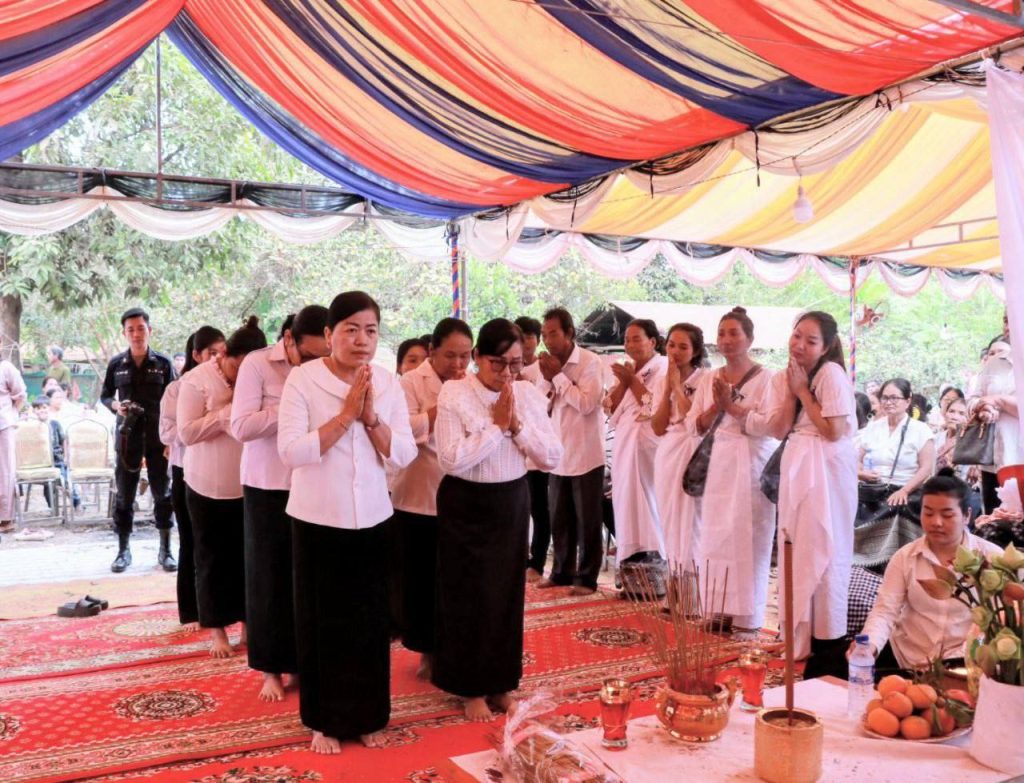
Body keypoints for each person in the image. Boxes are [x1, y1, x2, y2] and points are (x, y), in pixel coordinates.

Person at [277, 291, 416, 754]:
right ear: (329, 334)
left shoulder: (388, 383)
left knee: (369, 622)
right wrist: (344, 418)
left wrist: (371, 418)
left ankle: (369, 716)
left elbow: (403, 453)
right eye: (351, 330)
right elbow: (290, 451)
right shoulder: (303, 380)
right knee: (323, 623)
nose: (362, 340)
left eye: (370, 331)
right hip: (318, 517)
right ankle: (323, 721)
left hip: (373, 515)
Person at [433, 318, 562, 722]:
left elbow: (552, 456)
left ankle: (501, 684)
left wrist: (517, 427)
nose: (507, 373)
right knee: (468, 593)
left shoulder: (526, 394)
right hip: (466, 502)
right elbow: (451, 459)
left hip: (510, 501)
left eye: (515, 364)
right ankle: (469, 688)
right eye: (497, 363)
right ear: (477, 357)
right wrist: (496, 427)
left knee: (505, 594)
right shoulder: (455, 393)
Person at [747, 311, 857, 676]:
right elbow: (780, 429)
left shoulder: (831, 374)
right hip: (797, 464)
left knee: (824, 548)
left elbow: (834, 431)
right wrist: (791, 392)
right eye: (796, 337)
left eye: (810, 341)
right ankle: (797, 636)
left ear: (826, 347)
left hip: (826, 469)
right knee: (794, 547)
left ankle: (826, 640)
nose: (799, 346)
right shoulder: (786, 375)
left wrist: (802, 392)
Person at [231, 306, 329, 702]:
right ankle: (270, 667)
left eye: (321, 356)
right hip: (268, 486)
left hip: (312, 483)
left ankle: (304, 662)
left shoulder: (328, 368)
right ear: (289, 339)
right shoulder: (257, 364)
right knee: (268, 579)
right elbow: (241, 426)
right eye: (308, 356)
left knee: (306, 579)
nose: (313, 364)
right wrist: (288, 407)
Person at [854, 469, 1002, 676]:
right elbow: (885, 611)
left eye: (947, 515)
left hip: (966, 666)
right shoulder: (905, 557)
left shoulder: (992, 558)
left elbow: (997, 623)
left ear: (967, 515)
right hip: (908, 661)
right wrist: (869, 646)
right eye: (928, 513)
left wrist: (960, 659)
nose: (936, 522)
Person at [178, 317, 266, 659]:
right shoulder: (196, 381)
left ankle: (248, 624)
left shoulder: (257, 378)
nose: (240, 375)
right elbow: (186, 433)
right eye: (236, 367)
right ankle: (216, 630)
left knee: (247, 558)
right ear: (224, 353)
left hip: (247, 483)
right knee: (211, 559)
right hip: (205, 485)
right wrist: (223, 415)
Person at [392, 317, 472, 681]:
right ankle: (425, 649)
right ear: (433, 351)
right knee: (421, 578)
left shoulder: (471, 383)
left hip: (461, 492)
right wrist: (444, 407)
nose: (458, 364)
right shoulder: (410, 382)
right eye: (450, 355)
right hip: (417, 494)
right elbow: (402, 429)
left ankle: (454, 648)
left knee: (455, 577)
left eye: (465, 356)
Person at [686, 308, 775, 633]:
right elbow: (693, 425)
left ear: (749, 339)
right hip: (718, 464)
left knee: (750, 538)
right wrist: (717, 405)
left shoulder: (768, 378)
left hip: (751, 464)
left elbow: (770, 425)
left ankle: (747, 618)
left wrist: (732, 407)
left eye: (734, 333)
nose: (726, 340)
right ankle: (717, 609)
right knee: (716, 536)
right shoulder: (710, 378)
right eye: (722, 333)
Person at [534, 308, 605, 595]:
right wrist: (549, 379)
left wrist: (560, 377)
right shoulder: (546, 365)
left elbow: (586, 404)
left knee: (587, 520)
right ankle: (561, 572)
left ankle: (587, 579)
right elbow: (540, 403)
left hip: (586, 453)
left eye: (553, 333)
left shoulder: (589, 362)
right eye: (544, 334)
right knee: (559, 517)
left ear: (569, 333)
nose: (547, 340)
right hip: (558, 452)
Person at [100, 308, 176, 573]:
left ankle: (166, 550)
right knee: (124, 495)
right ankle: (123, 550)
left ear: (149, 330)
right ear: (124, 333)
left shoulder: (163, 363)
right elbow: (105, 395)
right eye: (130, 329)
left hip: (158, 438)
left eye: (140, 328)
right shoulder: (116, 364)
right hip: (127, 438)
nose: (136, 334)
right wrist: (116, 406)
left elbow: (174, 400)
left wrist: (172, 440)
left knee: (163, 494)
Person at [160, 326, 226, 631]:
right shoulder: (177, 389)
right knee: (191, 541)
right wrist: (203, 427)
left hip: (218, 471)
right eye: (211, 353)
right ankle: (191, 610)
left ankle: (220, 609)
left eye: (222, 352)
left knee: (216, 546)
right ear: (196, 355)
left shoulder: (228, 386)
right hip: (184, 470)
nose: (217, 359)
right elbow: (168, 433)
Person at [855, 378, 936, 571]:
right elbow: (856, 459)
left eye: (894, 398)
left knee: (898, 506)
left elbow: (926, 468)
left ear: (908, 401)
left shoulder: (920, 430)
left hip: (906, 489)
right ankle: (864, 567)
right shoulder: (874, 427)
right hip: (874, 489)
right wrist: (862, 473)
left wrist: (905, 490)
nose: (888, 402)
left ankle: (894, 568)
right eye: (884, 398)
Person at [606, 318, 668, 570]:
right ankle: (631, 557)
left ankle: (654, 557)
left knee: (648, 499)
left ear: (652, 342)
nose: (630, 344)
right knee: (626, 500)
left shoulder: (663, 367)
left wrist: (632, 381)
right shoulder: (629, 369)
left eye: (636, 339)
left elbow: (655, 405)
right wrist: (624, 382)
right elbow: (610, 408)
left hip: (648, 445)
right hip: (625, 443)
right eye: (627, 340)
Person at [651, 324, 706, 570]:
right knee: (669, 515)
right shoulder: (660, 381)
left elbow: (693, 418)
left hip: (693, 448)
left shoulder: (704, 379)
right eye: (671, 345)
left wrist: (676, 387)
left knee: (692, 519)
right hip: (668, 451)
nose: (675, 351)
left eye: (683, 347)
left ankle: (693, 581)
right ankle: (675, 577)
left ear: (695, 351)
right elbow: (657, 426)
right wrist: (666, 389)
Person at [514, 316, 552, 583]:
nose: (526, 342)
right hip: (514, 452)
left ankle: (536, 562)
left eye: (530, 337)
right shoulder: (508, 369)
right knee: (518, 510)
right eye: (521, 337)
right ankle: (517, 558)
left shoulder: (544, 369)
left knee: (539, 509)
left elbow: (545, 407)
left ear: (538, 340)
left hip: (537, 450)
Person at [969, 341, 1019, 514]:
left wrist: (999, 400)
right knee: (994, 522)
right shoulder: (995, 363)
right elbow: (973, 399)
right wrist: (982, 408)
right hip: (993, 460)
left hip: (1019, 458)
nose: (1007, 327)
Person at [32, 395, 80, 510]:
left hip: (57, 460)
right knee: (48, 486)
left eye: (44, 407)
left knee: (66, 480)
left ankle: (76, 502)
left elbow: (64, 441)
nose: (41, 410)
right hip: (40, 463)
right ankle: (53, 508)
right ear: (33, 410)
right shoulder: (32, 426)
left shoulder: (55, 424)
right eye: (38, 408)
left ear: (49, 408)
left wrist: (66, 457)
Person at [0, 357, 26, 535]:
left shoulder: (6, 367)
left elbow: (20, 395)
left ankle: (5, 518)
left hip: (3, 425)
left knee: (5, 471)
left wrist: (11, 415)